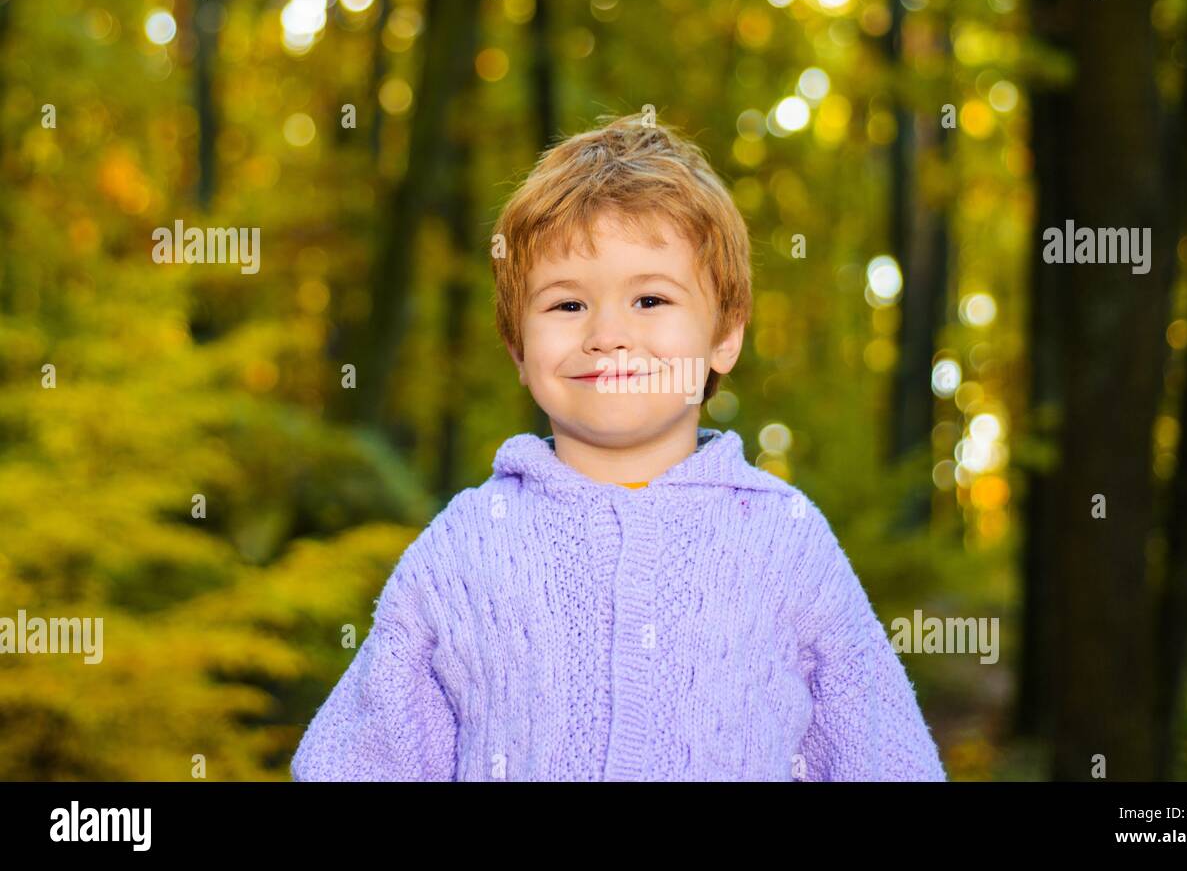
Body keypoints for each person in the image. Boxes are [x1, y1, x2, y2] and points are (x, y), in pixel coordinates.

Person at [290, 114, 946, 781]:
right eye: (567, 306)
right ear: (518, 347)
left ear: (725, 335)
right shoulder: (462, 550)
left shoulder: (787, 544)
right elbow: (358, 761)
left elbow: (887, 759)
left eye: (651, 299)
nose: (607, 334)